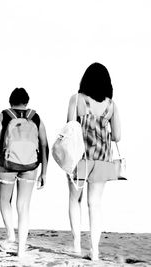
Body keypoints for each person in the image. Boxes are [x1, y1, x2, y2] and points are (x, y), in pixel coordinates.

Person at [0, 87, 48, 257]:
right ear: (27, 102)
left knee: (5, 201)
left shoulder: (4, 115)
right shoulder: (36, 117)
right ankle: (21, 249)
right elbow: (44, 145)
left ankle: (10, 234)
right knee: (23, 206)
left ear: (11, 101)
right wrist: (44, 172)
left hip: (7, 165)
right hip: (31, 166)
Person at [66, 63, 121, 261]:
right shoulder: (111, 105)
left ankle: (76, 245)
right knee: (95, 204)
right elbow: (117, 136)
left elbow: (69, 129)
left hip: (80, 159)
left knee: (75, 199)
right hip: (102, 160)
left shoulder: (77, 99)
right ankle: (95, 251)